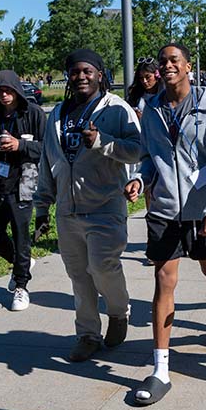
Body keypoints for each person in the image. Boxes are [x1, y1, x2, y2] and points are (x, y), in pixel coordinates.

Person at [124, 43, 206, 406]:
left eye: (175, 60)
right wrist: (141, 179)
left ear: (188, 66)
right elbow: (147, 157)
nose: (168, 66)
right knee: (163, 279)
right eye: (163, 62)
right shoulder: (152, 108)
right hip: (165, 208)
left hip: (203, 208)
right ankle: (161, 370)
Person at [33, 49, 142, 362]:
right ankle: (87, 334)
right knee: (79, 277)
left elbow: (136, 150)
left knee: (102, 267)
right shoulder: (57, 113)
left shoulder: (117, 109)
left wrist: (101, 141)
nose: (81, 76)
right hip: (68, 211)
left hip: (105, 206)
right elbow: (48, 161)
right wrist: (43, 206)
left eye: (87, 71)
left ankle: (119, 312)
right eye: (75, 71)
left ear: (100, 74)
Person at [0, 70, 46, 312]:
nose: (4, 95)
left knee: (21, 235)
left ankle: (21, 285)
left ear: (17, 90)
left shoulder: (34, 114)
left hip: (24, 183)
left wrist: (21, 145)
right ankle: (23, 262)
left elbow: (47, 148)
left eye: (8, 90)